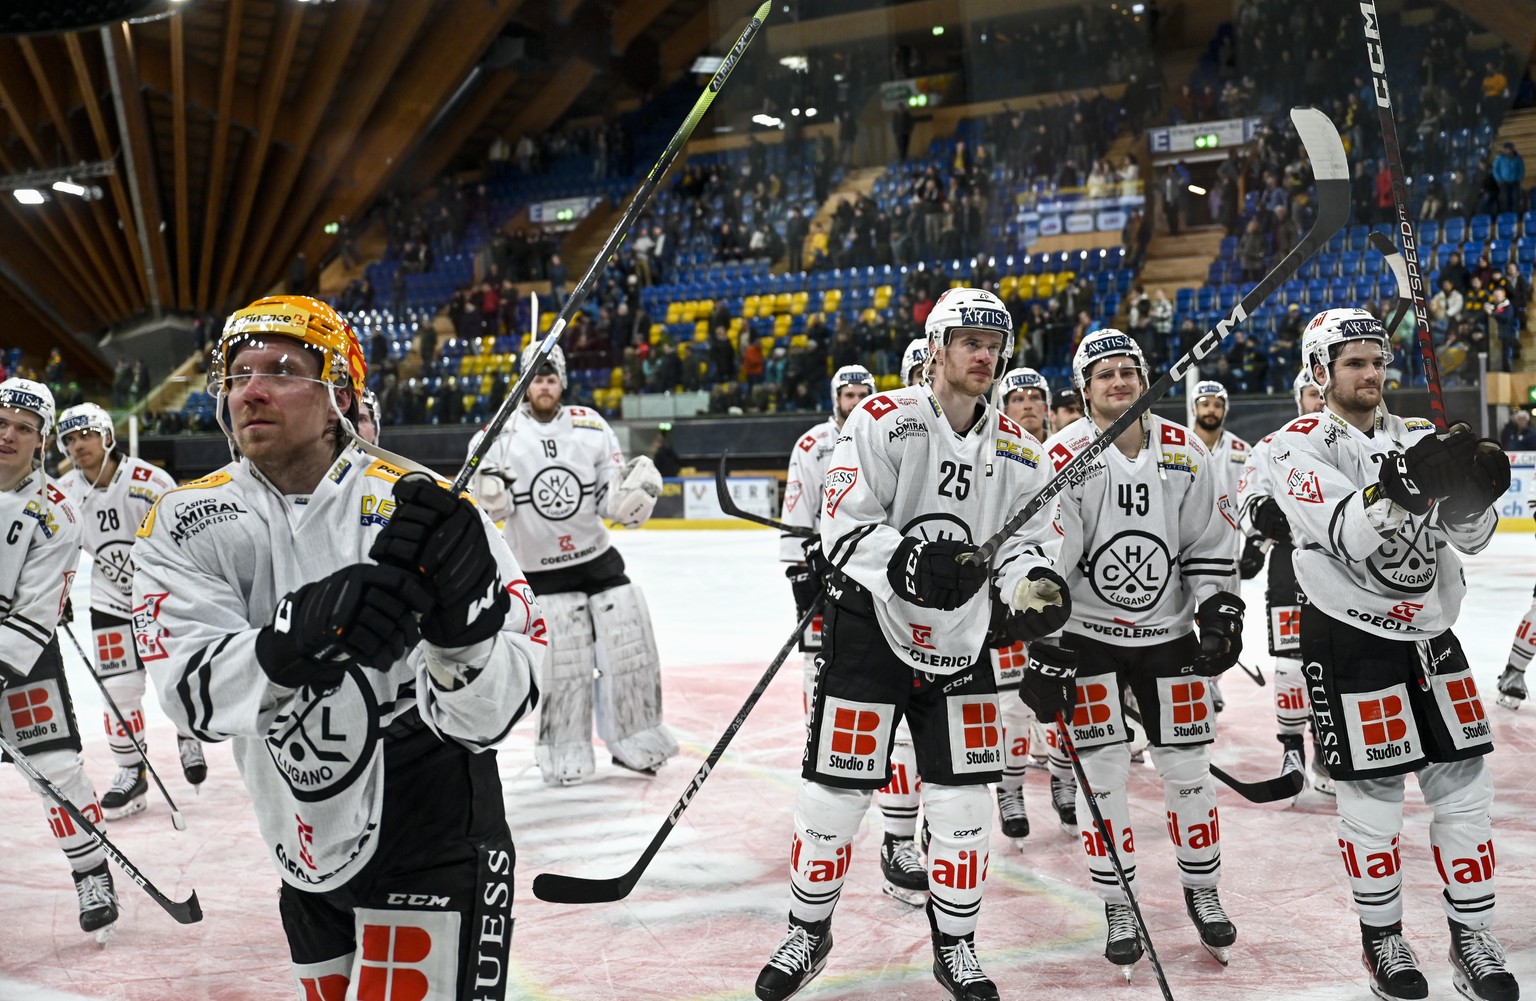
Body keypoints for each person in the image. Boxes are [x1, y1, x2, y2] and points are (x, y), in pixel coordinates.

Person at [133, 295, 544, 999]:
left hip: (431, 812)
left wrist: (463, 635)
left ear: (339, 397)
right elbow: (189, 695)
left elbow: (498, 711)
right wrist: (297, 631)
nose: (251, 389)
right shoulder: (182, 518)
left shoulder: (430, 506)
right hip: (295, 824)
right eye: (237, 373)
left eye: (283, 369)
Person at [755, 288, 1067, 1001]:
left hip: (963, 643)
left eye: (996, 343)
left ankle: (955, 946)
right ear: (935, 349)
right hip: (870, 628)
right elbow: (843, 522)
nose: (985, 354)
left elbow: (1026, 542)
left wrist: (1029, 586)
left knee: (963, 807)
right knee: (833, 798)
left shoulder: (1022, 448)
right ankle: (809, 930)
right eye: (970, 341)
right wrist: (907, 561)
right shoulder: (881, 418)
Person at [1265, 307, 1517, 1001]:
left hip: (1432, 637)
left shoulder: (1417, 436)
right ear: (1321, 371)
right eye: (1354, 362)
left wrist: (1472, 498)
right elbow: (1350, 532)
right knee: (1374, 802)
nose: (1372, 372)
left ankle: (1473, 938)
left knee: (1467, 791)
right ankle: (1384, 940)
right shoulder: (1293, 448)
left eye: (1377, 360)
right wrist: (1401, 485)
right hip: (1350, 636)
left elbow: (1468, 541)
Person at [1021, 329, 1244, 977]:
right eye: (1105, 374)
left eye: (1129, 370)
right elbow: (1051, 558)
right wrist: (1048, 645)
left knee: (1188, 770)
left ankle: (1203, 891)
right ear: (1085, 389)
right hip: (1089, 637)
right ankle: (1120, 903)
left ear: (1146, 378)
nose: (1119, 380)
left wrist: (1220, 608)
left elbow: (1206, 543)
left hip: (1168, 636)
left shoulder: (1183, 450)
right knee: (1103, 773)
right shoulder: (1064, 453)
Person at [468, 340, 675, 786]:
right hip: (539, 568)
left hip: (596, 559)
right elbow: (482, 512)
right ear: (524, 384)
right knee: (563, 664)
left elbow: (609, 495)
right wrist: (490, 494)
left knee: (630, 643)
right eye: (536, 378)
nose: (544, 385)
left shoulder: (591, 426)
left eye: (551, 377)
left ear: (561, 381)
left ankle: (637, 737)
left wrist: (630, 498)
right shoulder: (496, 437)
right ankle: (563, 747)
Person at [778, 364, 930, 904]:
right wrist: (801, 575)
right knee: (831, 715)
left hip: (888, 592)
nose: (856, 398)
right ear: (834, 396)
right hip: (831, 585)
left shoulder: (892, 428)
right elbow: (800, 513)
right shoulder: (814, 444)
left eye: (864, 392)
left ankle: (898, 836)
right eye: (848, 392)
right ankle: (823, 815)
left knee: (903, 728)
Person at [0, 379, 118, 941]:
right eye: (1, 422)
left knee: (54, 772)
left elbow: (34, 613)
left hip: (22, 658)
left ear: (41, 440)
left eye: (23, 428)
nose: (8, 435)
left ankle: (91, 871)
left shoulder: (57, 513)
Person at [56, 403, 203, 818]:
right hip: (108, 603)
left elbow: (182, 538)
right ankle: (130, 771)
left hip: (161, 599)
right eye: (68, 439)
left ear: (106, 435)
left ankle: (187, 733)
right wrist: (57, 594)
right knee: (118, 691)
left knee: (174, 678)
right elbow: (56, 549)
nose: (76, 445)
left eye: (84, 434)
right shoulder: (65, 492)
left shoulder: (149, 481)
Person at [990, 367, 1077, 843]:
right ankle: (1009, 790)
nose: (1026, 404)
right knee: (1012, 708)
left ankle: (1064, 783)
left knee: (1060, 702)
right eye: (1016, 396)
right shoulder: (995, 453)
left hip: (1062, 599)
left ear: (1047, 405)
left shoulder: (1068, 454)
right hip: (1009, 599)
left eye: (1034, 396)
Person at [1235, 364, 1331, 791]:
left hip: (1343, 569)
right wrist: (1258, 522)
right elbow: (1249, 493)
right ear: (1298, 400)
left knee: (1332, 662)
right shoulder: (1273, 445)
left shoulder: (1355, 443)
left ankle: (1326, 746)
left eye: (1323, 391)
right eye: (1312, 393)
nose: (1320, 399)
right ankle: (1291, 745)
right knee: (1291, 665)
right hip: (1290, 564)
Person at [1189, 380, 1250, 713]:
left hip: (1228, 549)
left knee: (1224, 616)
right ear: (1195, 407)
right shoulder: (1178, 445)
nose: (1211, 409)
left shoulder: (1242, 450)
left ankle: (1211, 682)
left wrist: (1259, 542)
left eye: (1217, 403)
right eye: (1205, 403)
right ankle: (1189, 677)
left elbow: (1254, 496)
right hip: (1185, 545)